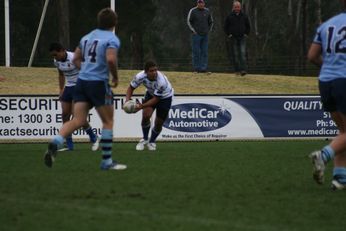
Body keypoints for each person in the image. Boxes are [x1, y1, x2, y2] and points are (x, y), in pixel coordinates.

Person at [44, 8, 126, 170]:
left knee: (78, 120)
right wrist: (115, 77)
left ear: (98, 22)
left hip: (81, 83)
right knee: (108, 121)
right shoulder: (112, 38)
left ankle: (56, 142)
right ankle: (106, 162)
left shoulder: (87, 37)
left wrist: (87, 70)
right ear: (114, 23)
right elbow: (110, 60)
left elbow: (75, 59)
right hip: (98, 84)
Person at [307, 0, 346, 190]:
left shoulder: (327, 24)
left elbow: (312, 56)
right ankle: (323, 155)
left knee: (343, 131)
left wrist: (330, 67)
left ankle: (340, 178)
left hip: (325, 82)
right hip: (344, 81)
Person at [49, 42, 99, 151]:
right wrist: (61, 90)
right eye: (53, 56)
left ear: (62, 51)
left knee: (76, 115)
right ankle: (70, 145)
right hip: (69, 87)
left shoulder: (74, 58)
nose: (55, 57)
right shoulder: (56, 61)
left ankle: (94, 138)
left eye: (56, 54)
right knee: (65, 115)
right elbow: (61, 75)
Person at [125, 60, 174, 151]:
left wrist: (141, 106)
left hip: (165, 97)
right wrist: (127, 101)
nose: (154, 72)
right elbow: (130, 88)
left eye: (155, 70)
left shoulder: (161, 81)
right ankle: (145, 139)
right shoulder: (140, 76)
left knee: (158, 123)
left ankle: (152, 142)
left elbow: (156, 99)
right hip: (150, 94)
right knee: (146, 116)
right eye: (151, 71)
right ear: (146, 72)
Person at [224, 0, 250, 76]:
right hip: (233, 37)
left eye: (238, 7)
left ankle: (243, 70)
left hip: (242, 37)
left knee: (242, 53)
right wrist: (229, 34)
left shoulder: (244, 16)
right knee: (235, 54)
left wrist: (246, 34)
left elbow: (248, 26)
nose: (237, 8)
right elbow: (225, 27)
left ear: (240, 7)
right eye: (235, 7)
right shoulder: (229, 16)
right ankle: (237, 70)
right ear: (233, 7)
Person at [187, 0, 213, 73]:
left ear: (204, 4)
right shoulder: (193, 11)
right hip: (196, 35)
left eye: (202, 3)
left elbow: (211, 22)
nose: (201, 4)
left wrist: (208, 31)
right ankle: (196, 68)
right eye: (199, 3)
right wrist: (193, 31)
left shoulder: (207, 11)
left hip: (205, 35)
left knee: (204, 52)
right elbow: (189, 21)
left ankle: (203, 68)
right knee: (196, 52)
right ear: (197, 3)